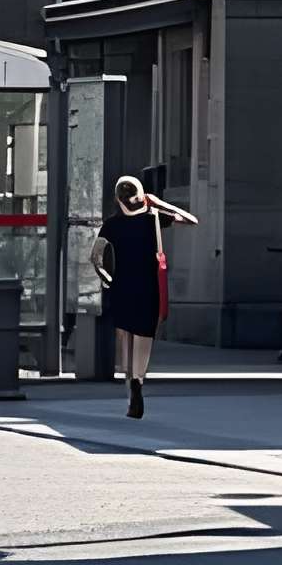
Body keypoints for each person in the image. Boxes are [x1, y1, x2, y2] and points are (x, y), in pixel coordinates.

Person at [90, 173, 197, 419]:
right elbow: (191, 220)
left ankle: (131, 384)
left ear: (118, 199)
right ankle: (138, 379)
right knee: (144, 337)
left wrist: (107, 280)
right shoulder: (154, 219)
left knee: (125, 337)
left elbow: (95, 258)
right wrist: (159, 203)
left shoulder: (112, 224)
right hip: (149, 286)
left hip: (122, 286)